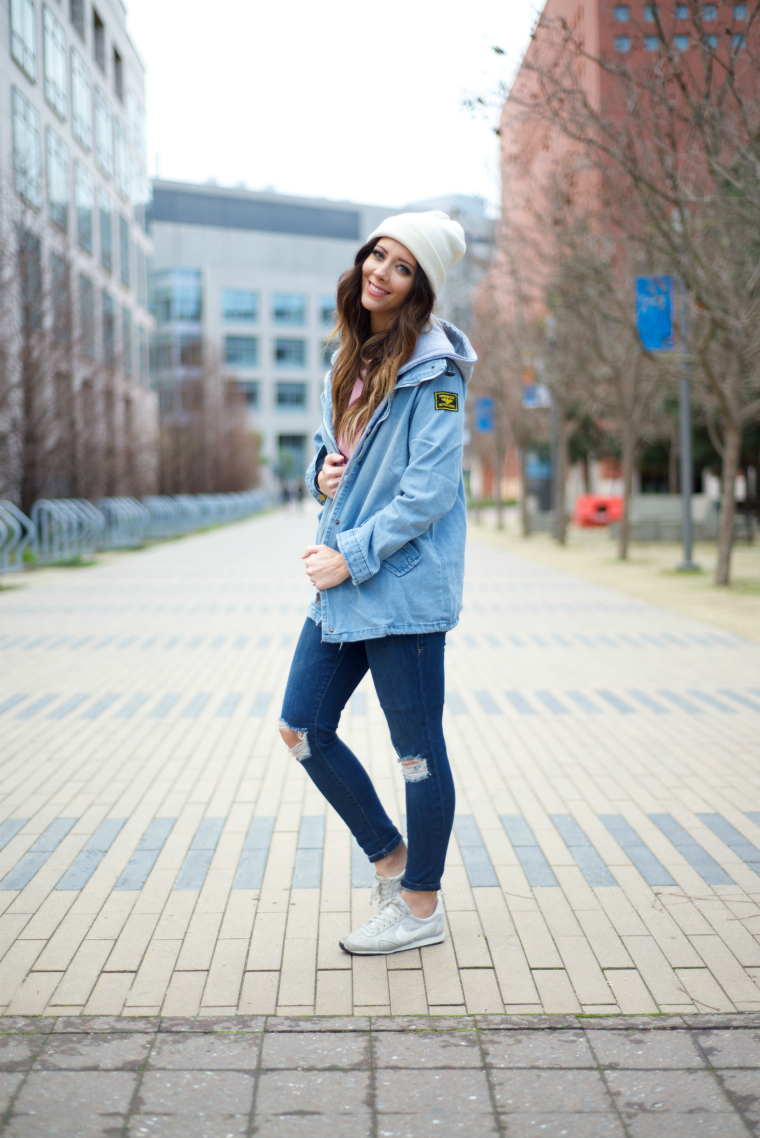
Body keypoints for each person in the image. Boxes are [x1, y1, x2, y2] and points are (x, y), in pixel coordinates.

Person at [279, 211, 476, 955]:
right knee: (302, 728)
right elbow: (341, 462)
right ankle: (395, 864)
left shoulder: (439, 373)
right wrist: (320, 477)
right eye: (377, 255)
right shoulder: (352, 356)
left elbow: (428, 492)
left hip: (400, 587)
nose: (380, 271)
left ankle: (420, 909)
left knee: (416, 752)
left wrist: (350, 555)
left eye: (400, 266)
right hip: (346, 583)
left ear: (418, 287)